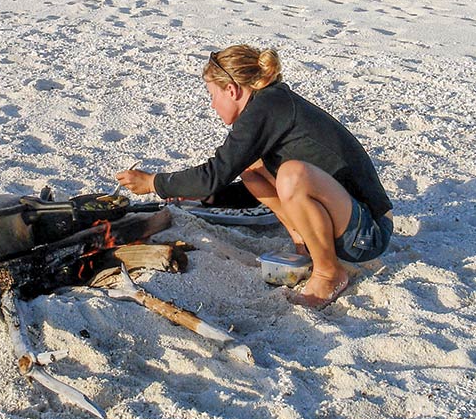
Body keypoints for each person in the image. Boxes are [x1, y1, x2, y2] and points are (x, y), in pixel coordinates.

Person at [115, 44, 394, 309]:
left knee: (292, 175)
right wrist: (208, 195)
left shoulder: (266, 108)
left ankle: (329, 272)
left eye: (212, 95)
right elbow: (229, 180)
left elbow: (215, 172)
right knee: (253, 169)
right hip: (349, 219)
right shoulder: (269, 103)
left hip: (367, 234)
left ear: (232, 90)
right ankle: (304, 248)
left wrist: (153, 182)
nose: (212, 105)